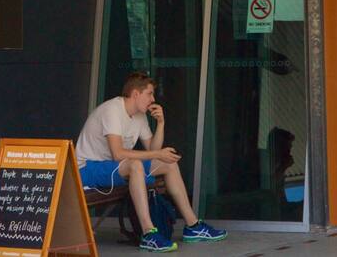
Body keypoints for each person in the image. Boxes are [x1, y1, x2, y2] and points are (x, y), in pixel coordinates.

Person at [76, 72, 226, 252]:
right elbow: (118, 153)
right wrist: (157, 153)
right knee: (135, 165)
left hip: (114, 168)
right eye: (149, 94)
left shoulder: (139, 115)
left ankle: (193, 226)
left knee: (168, 164)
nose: (153, 99)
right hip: (88, 168)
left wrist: (161, 123)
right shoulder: (112, 110)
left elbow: (151, 150)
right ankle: (148, 233)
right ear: (135, 94)